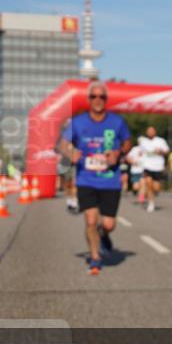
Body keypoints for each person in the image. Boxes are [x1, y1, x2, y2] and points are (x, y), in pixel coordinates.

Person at [60, 81, 132, 275]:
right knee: (91, 220)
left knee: (108, 224)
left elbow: (127, 142)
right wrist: (70, 153)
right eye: (94, 96)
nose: (98, 100)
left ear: (106, 100)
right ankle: (95, 257)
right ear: (89, 99)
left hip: (110, 180)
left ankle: (104, 235)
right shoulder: (79, 122)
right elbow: (63, 144)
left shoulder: (117, 122)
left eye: (102, 96)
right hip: (86, 179)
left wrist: (118, 152)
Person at [138, 126, 169, 213]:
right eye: (148, 131)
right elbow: (140, 152)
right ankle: (151, 203)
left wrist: (161, 151)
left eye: (152, 131)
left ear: (155, 132)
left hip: (158, 167)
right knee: (148, 183)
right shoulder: (144, 142)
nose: (150, 132)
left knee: (156, 187)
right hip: (147, 167)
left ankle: (154, 193)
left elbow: (166, 151)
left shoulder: (161, 141)